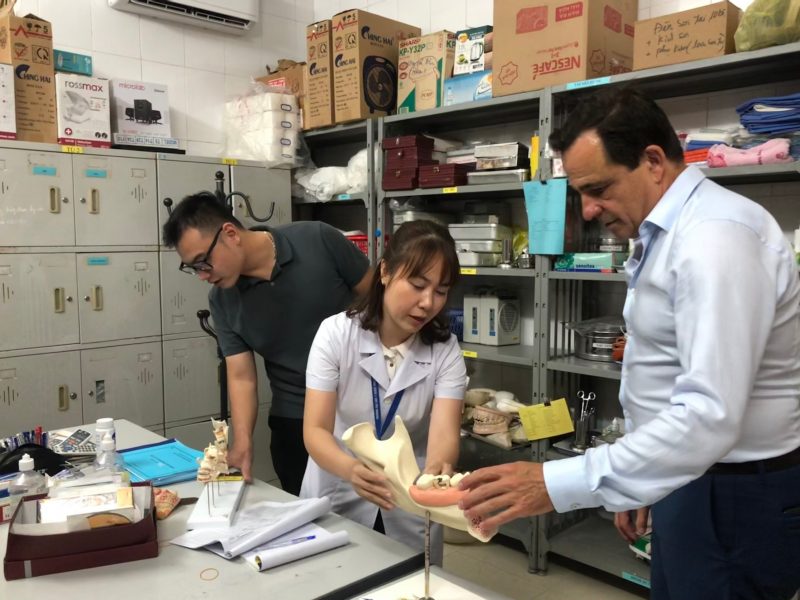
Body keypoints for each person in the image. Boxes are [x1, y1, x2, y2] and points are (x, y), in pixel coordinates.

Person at [458, 87, 800, 599]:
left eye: (598, 188)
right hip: (691, 474)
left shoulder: (715, 238)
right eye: (580, 193)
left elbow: (709, 413)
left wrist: (558, 483)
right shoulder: (666, 232)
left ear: (653, 161)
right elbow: (665, 371)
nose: (588, 210)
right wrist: (643, 479)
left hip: (733, 496)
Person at [162, 192, 371, 495]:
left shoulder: (317, 239)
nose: (202, 276)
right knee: (309, 516)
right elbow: (241, 376)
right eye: (193, 268)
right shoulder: (223, 300)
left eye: (203, 262)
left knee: (379, 515)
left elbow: (378, 301)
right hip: (295, 419)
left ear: (230, 234)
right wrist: (243, 442)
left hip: (362, 409)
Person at [300, 220, 466, 565]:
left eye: (441, 291)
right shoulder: (336, 334)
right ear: (385, 272)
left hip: (410, 498)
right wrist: (351, 470)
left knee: (409, 581)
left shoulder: (445, 350)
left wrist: (437, 473)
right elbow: (315, 430)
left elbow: (444, 436)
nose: (427, 303)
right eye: (418, 285)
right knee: (332, 577)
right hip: (339, 487)